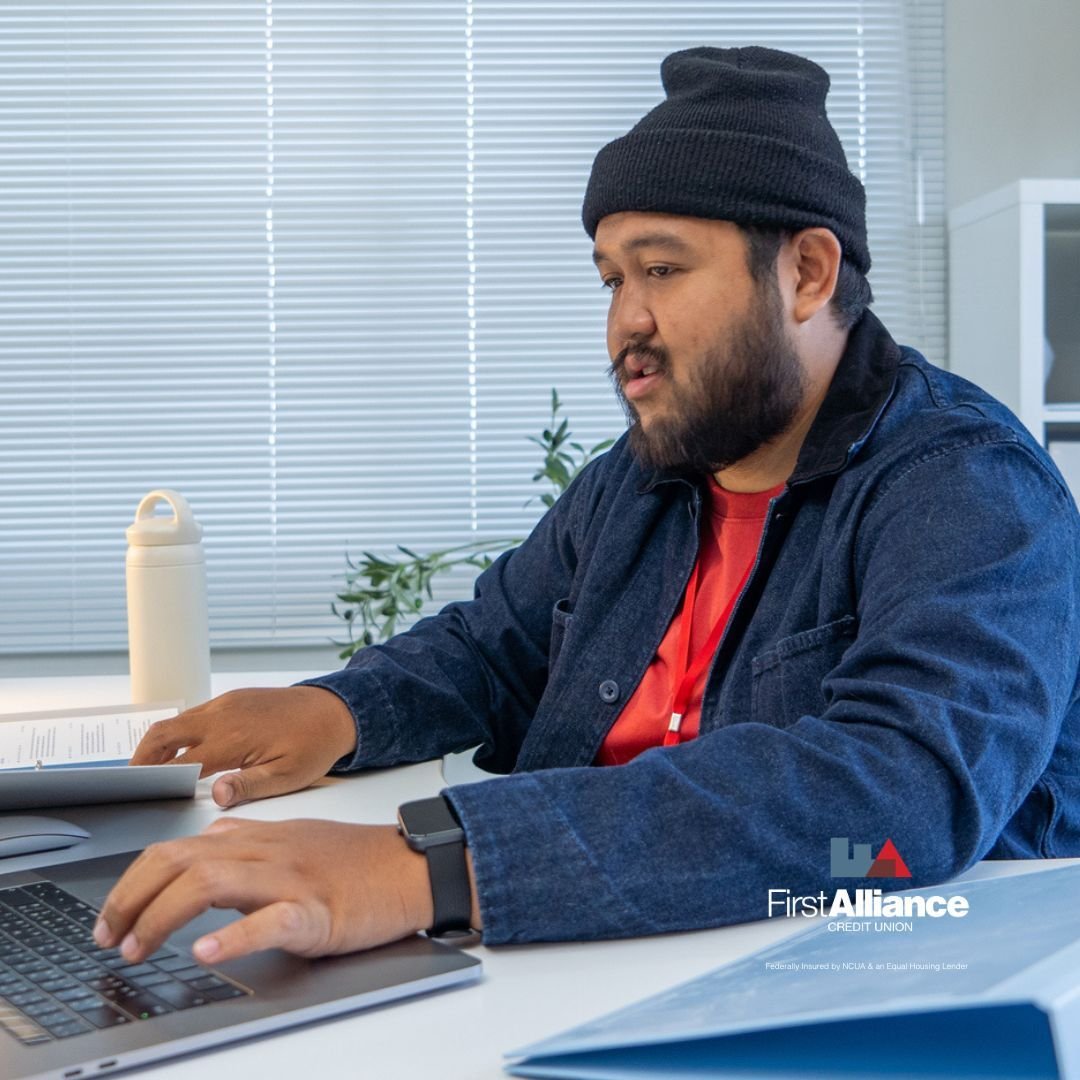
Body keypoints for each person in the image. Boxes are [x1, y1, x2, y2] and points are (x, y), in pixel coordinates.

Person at [94, 46, 1080, 968]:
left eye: (661, 269)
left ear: (807, 274)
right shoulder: (645, 475)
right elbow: (491, 648)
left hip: (849, 980)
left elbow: (893, 797)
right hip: (586, 954)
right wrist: (334, 709)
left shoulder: (964, 485)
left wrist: (435, 865)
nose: (625, 324)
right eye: (611, 278)